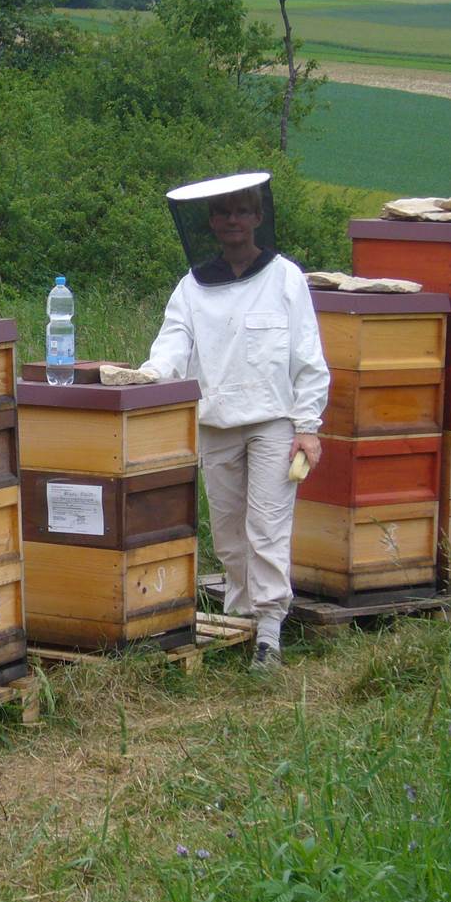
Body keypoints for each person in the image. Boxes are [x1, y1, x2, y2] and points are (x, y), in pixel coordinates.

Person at [141, 174, 329, 667]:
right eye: (223, 212)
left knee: (266, 527)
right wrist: (149, 377)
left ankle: (269, 631)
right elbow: (173, 341)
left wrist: (308, 427)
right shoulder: (192, 286)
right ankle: (240, 620)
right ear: (210, 222)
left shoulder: (285, 277)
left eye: (241, 211)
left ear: (257, 217)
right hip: (215, 422)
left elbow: (307, 354)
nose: (232, 220)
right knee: (227, 532)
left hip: (273, 423)